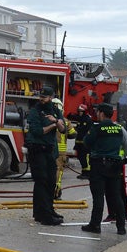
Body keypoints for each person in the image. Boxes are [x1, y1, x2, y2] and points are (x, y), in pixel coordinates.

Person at [81, 103, 127, 235]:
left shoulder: (97, 128)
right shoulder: (119, 128)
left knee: (98, 196)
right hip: (115, 165)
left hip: (99, 165)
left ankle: (95, 225)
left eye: (97, 112)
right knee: (116, 196)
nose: (96, 114)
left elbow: (86, 143)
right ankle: (121, 227)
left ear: (101, 113)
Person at [24, 85, 65, 225]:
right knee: (41, 181)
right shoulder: (35, 112)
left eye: (44, 97)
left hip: (49, 150)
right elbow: (37, 131)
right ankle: (44, 215)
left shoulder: (55, 110)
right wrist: (53, 125)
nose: (41, 99)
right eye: (40, 97)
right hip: (37, 149)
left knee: (51, 182)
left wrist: (56, 122)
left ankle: (47, 210)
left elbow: (63, 128)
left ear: (51, 97)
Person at [52, 98, 75, 200]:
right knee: (58, 173)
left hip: (47, 150)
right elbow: (73, 134)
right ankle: (56, 193)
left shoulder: (45, 119)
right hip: (60, 153)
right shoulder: (65, 122)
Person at [69, 103, 93, 178]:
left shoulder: (87, 119)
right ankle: (84, 172)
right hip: (79, 142)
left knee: (85, 158)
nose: (79, 112)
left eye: (81, 111)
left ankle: (87, 173)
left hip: (85, 144)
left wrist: (76, 129)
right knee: (81, 157)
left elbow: (83, 130)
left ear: (84, 112)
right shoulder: (81, 118)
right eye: (78, 111)